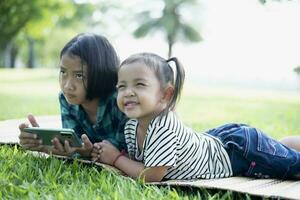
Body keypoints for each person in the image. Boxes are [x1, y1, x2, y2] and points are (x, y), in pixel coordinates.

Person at [91, 52, 300, 182]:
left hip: (239, 152)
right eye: (121, 86)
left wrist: (116, 159)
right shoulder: (131, 125)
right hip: (219, 141)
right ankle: (284, 145)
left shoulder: (163, 125)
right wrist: (105, 152)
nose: (127, 92)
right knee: (277, 151)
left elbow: (152, 175)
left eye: (139, 84)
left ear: (165, 95)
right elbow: (140, 160)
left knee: (293, 167)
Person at [18, 33, 127, 157]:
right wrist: (44, 145)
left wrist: (89, 151)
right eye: (63, 72)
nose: (67, 86)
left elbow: (126, 148)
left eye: (79, 75)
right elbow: (75, 145)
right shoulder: (66, 99)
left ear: (101, 73)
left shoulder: (119, 100)